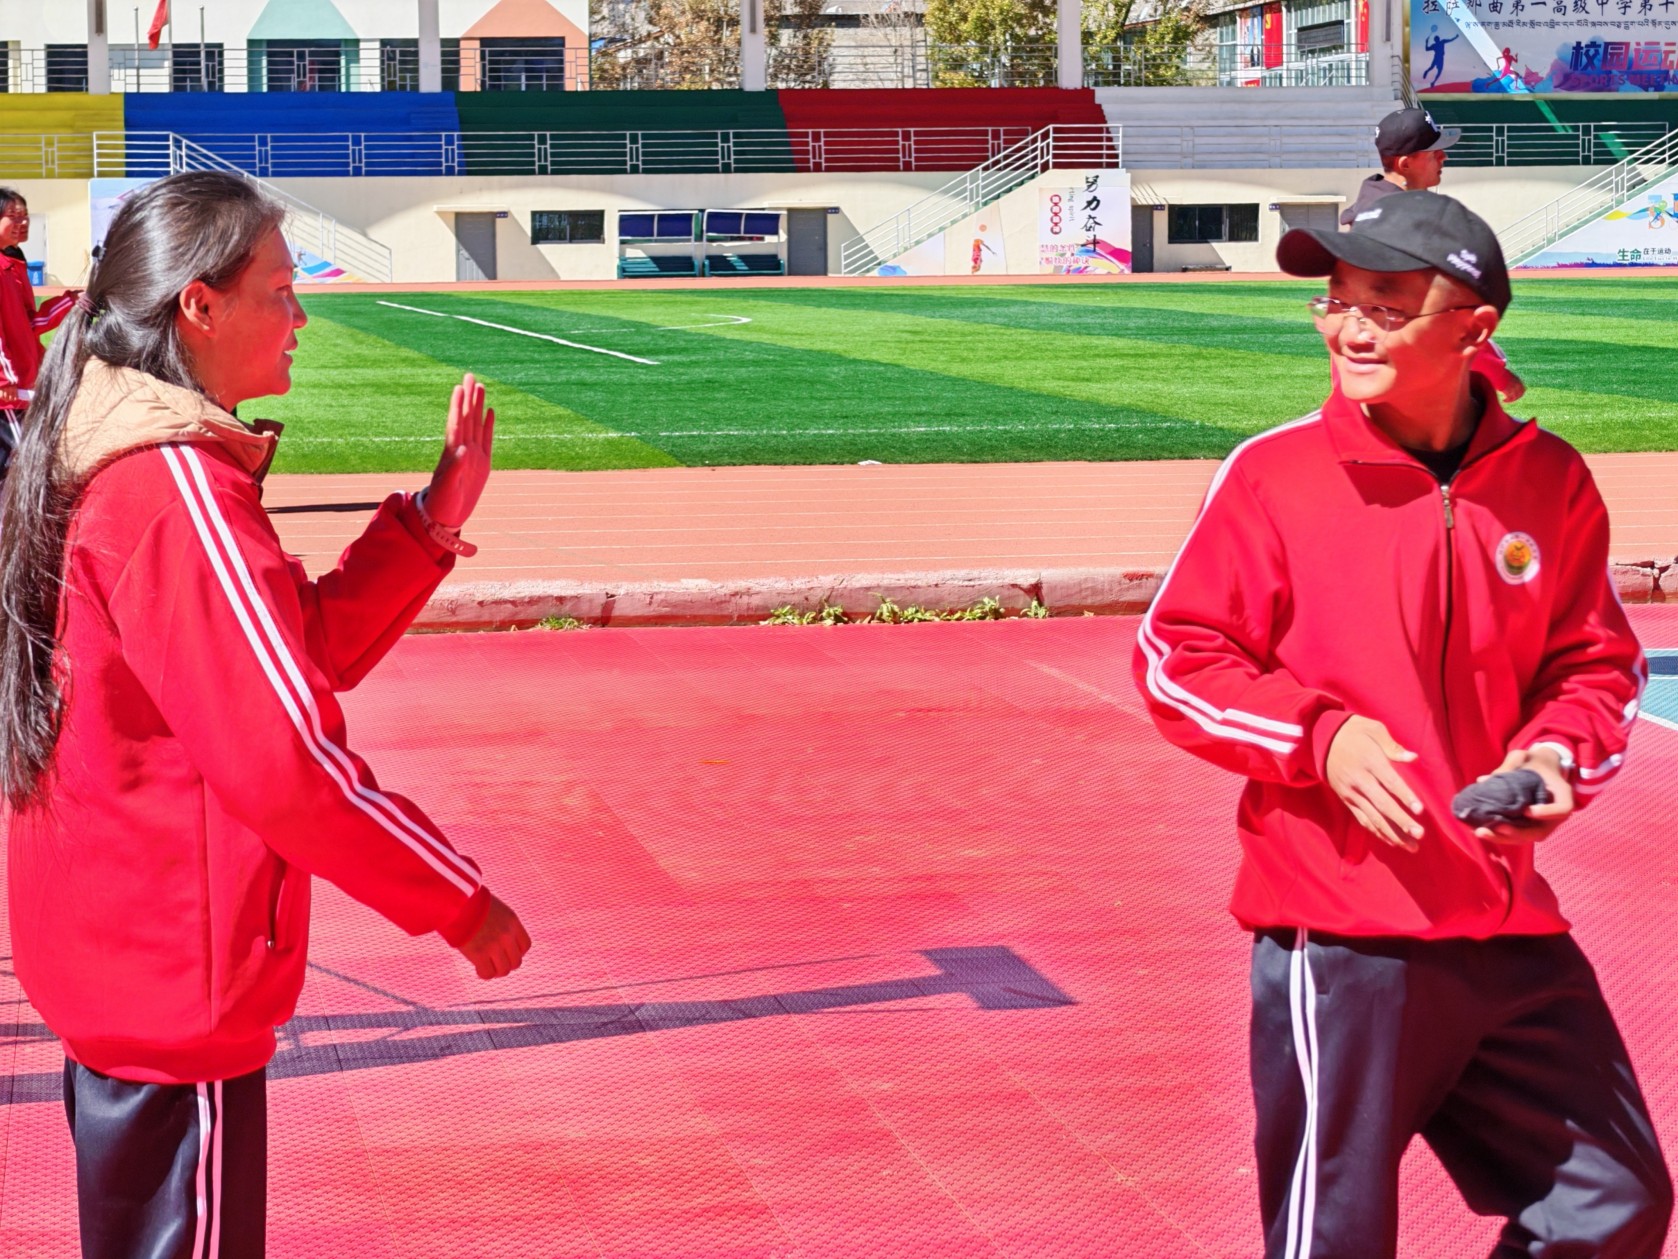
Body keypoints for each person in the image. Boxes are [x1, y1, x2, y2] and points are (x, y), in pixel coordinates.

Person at [0, 171, 531, 1257]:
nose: (300, 317)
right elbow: (286, 755)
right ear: (199, 306)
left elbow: (287, 655)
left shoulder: (112, 451)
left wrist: (430, 524)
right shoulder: (174, 489)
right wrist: (457, 899)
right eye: (281, 291)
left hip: (125, 957)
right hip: (171, 972)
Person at [1132, 191, 1670, 1258]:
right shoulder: (1273, 475)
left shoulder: (1550, 480)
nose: (1350, 327)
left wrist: (1553, 759)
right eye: (1336, 300)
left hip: (1506, 927)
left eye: (1384, 302)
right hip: (1343, 934)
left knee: (1615, 1200)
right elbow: (1177, 657)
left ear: (1474, 327)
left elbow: (1596, 663)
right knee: (1332, 1239)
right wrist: (1318, 737)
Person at [1341, 111, 1524, 402]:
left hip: (1373, 374)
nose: (1443, 157)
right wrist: (1497, 373)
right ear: (1405, 164)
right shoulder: (1399, 221)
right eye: (1434, 153)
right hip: (1400, 379)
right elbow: (1438, 315)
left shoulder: (1375, 207)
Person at [0, 188, 78, 478]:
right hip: (8, 391)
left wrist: (72, 302)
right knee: (28, 465)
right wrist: (5, 378)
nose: (22, 222)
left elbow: (27, 324)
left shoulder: (13, 266)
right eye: (13, 216)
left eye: (25, 216)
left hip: (21, 384)